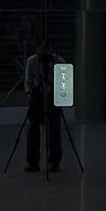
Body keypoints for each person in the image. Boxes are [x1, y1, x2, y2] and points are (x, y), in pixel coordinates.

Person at [23, 42, 64, 176]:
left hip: (53, 98)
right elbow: (28, 81)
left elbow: (63, 83)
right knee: (33, 127)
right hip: (37, 96)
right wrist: (30, 93)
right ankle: (33, 161)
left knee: (54, 127)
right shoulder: (31, 61)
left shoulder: (59, 62)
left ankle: (54, 161)